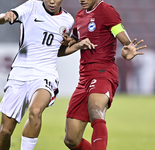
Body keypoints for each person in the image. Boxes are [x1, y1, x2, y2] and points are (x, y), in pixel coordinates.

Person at [0, 0, 96, 150]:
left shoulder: (68, 20)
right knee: (5, 131)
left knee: (35, 111)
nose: (52, 1)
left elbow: (56, 50)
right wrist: (6, 16)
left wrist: (77, 45)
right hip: (20, 72)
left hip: (45, 74)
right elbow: (0, 19)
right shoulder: (31, 6)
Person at [61, 0, 147, 150]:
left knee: (95, 109)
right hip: (84, 78)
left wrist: (128, 47)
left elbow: (122, 36)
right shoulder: (80, 16)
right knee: (71, 139)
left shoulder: (107, 10)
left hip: (103, 72)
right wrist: (69, 41)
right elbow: (76, 39)